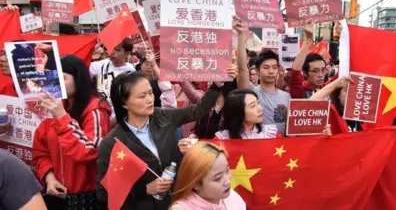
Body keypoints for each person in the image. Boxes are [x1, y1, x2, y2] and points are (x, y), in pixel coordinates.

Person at [96, 71, 223, 210]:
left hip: (177, 202)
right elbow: (104, 193)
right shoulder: (113, 143)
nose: (150, 99)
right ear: (124, 103)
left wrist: (217, 85)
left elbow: (198, 110)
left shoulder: (162, 117)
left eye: (150, 93)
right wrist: (144, 189)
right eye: (142, 96)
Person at [32, 55, 111, 210]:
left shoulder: (96, 110)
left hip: (86, 197)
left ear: (79, 79)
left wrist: (62, 118)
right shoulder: (55, 106)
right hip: (56, 194)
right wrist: (49, 177)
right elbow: (40, 150)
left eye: (64, 78)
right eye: (55, 78)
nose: (59, 83)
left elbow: (88, 151)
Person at [234, 16, 291, 135]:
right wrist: (240, 35)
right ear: (258, 71)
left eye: (274, 67)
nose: (271, 71)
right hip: (256, 147)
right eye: (266, 67)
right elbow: (242, 68)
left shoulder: (286, 97)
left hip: (280, 149)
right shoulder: (251, 92)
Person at [169, 142, 246, 210]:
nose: (227, 181)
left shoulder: (233, 198)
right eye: (218, 178)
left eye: (227, 170)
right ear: (196, 184)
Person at [214, 89, 281, 140]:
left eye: (258, 103)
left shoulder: (271, 135)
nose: (260, 108)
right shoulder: (222, 139)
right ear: (238, 111)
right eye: (253, 106)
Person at [289, 19, 328, 98]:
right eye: (315, 71)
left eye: (323, 70)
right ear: (305, 73)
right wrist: (308, 40)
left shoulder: (328, 88)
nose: (320, 75)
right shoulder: (300, 90)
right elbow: (295, 72)